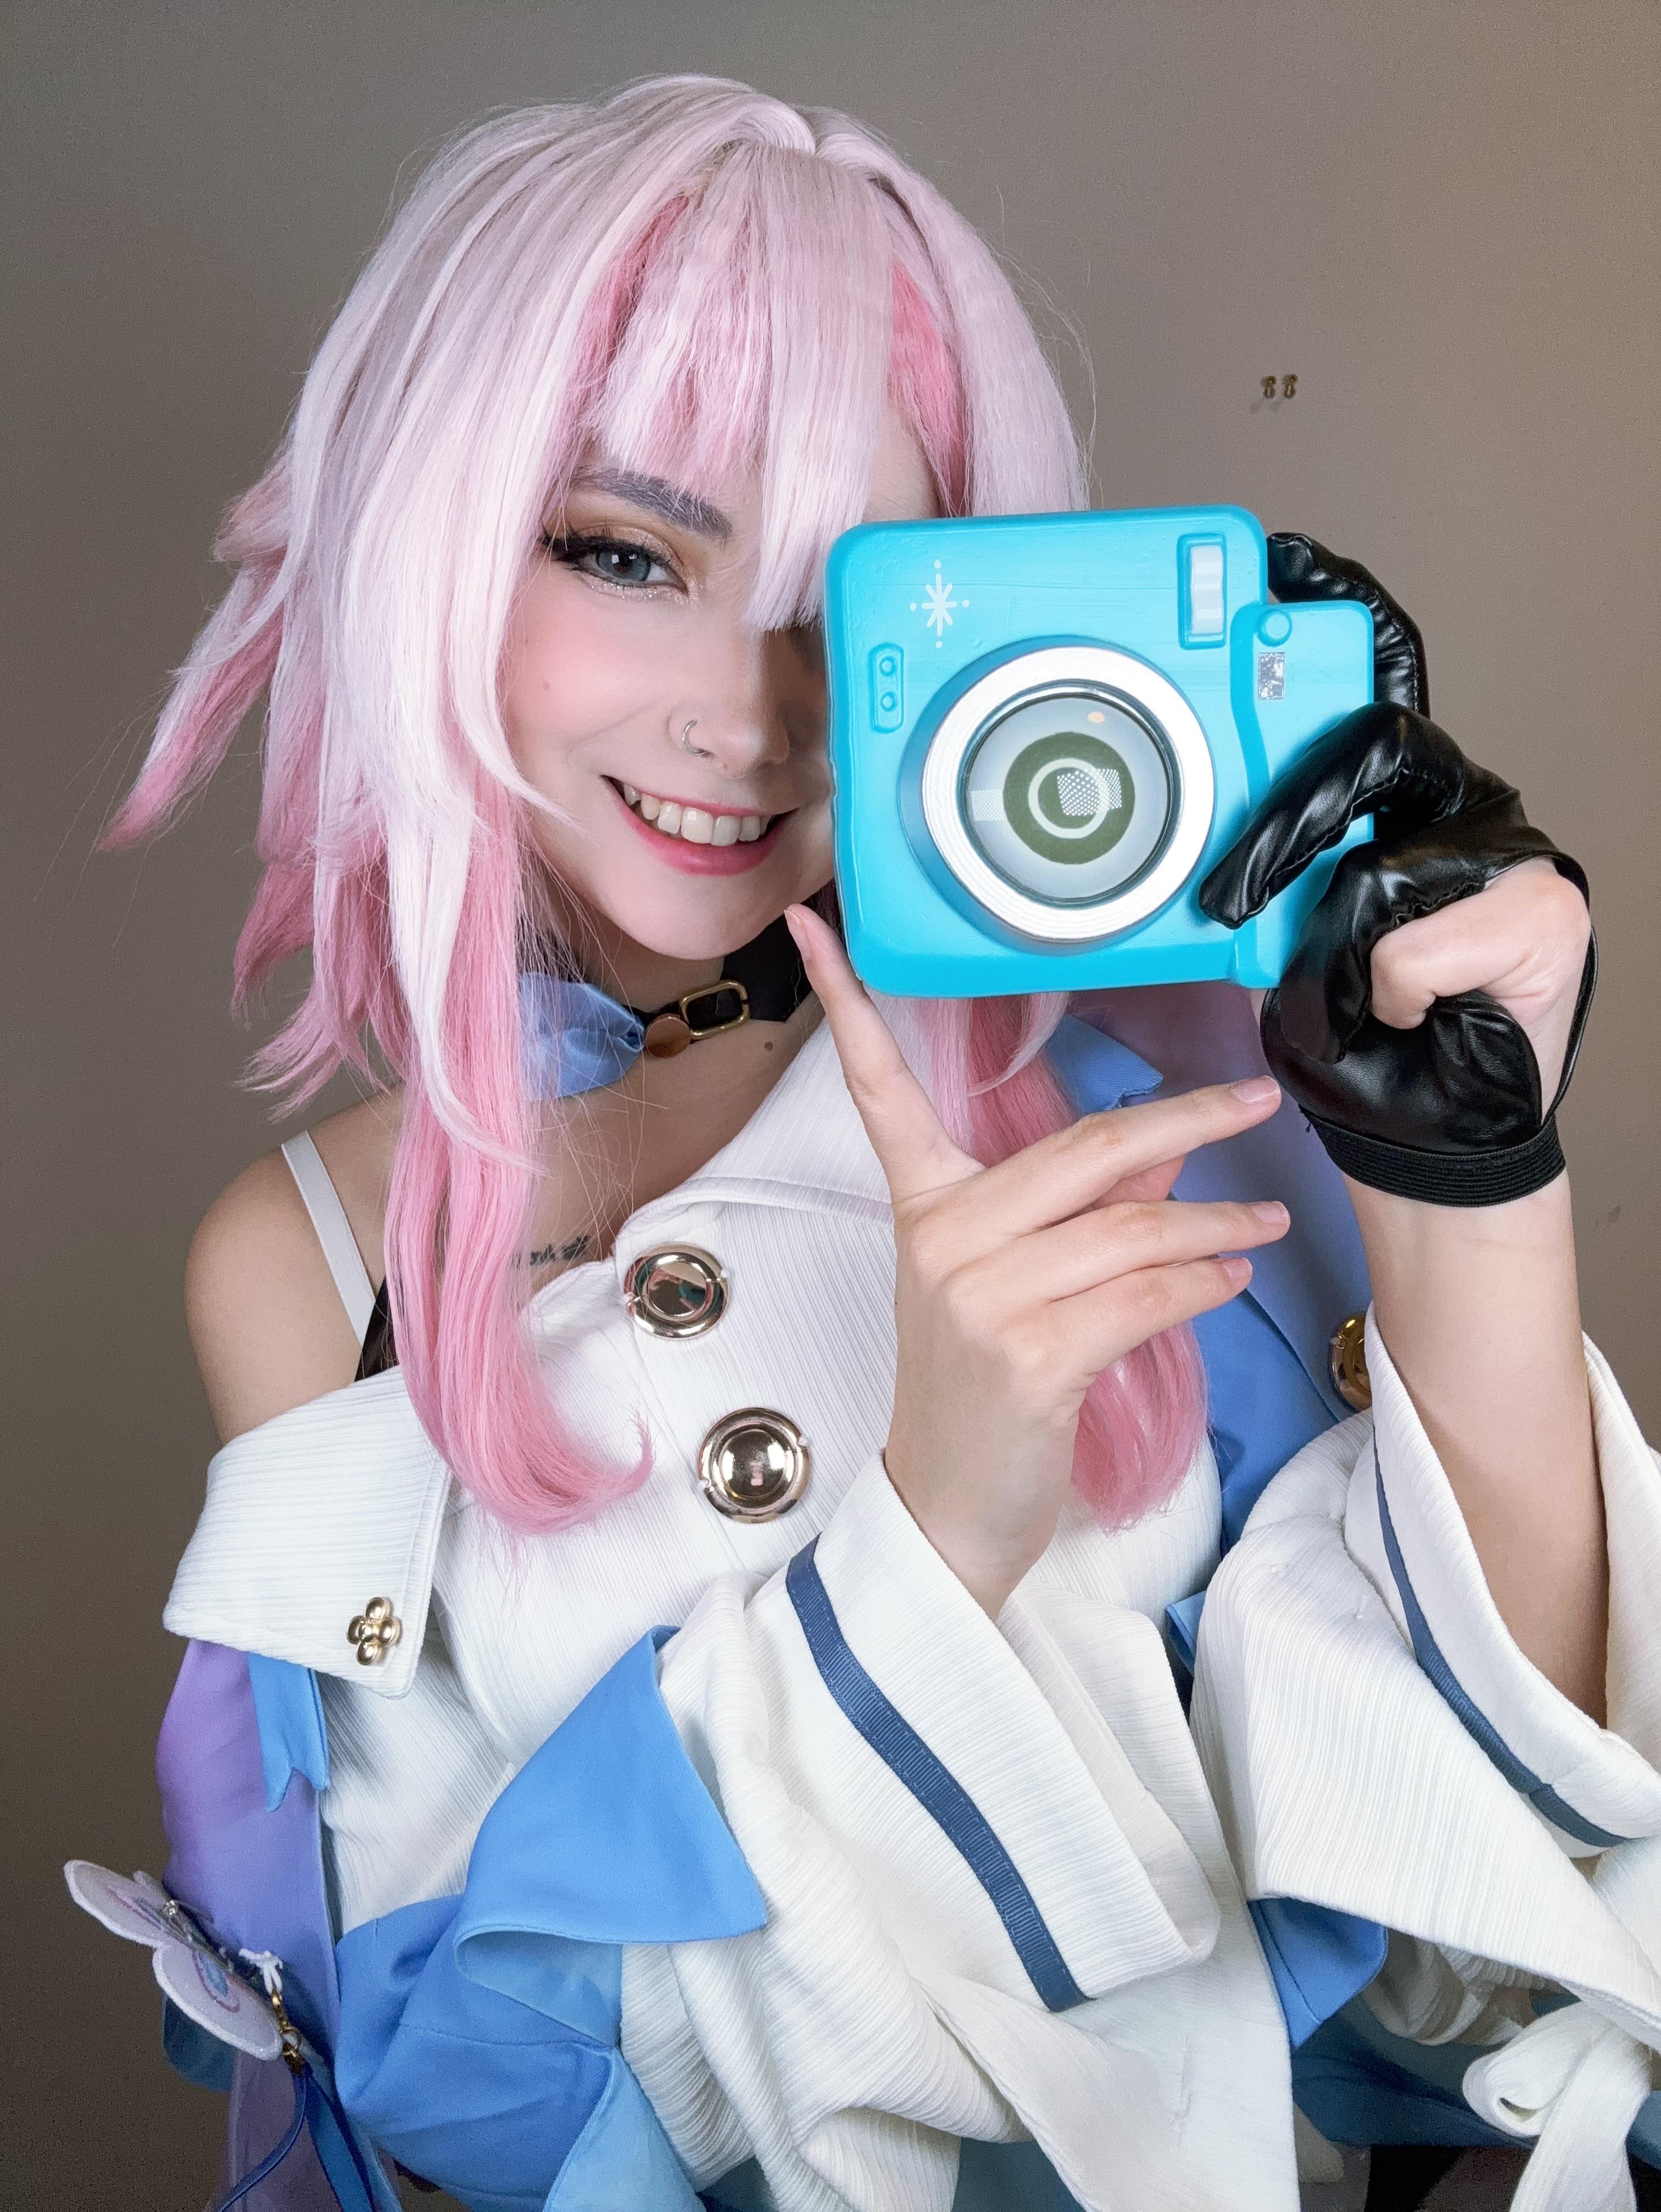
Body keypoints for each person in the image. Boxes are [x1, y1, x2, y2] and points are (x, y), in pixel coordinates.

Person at [75, 73, 1661, 2212]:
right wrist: (926, 1530)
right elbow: (489, 2106)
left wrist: (1475, 1201)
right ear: (426, 539)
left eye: (852, 592)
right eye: (624, 550)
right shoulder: (306, 1256)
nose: (752, 709)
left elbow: (1486, 1979)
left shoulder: (1173, 1083)